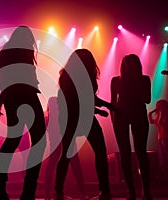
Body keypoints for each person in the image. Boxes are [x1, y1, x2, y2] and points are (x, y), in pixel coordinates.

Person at [0, 26, 46, 200]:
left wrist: (4, 97)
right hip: (26, 95)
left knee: (13, 140)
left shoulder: (8, 52)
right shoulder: (23, 52)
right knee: (38, 141)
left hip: (13, 97)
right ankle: (28, 191)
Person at [55, 49, 112, 200]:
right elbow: (85, 99)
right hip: (80, 118)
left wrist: (103, 108)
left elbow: (80, 100)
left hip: (71, 118)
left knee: (66, 155)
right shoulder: (83, 77)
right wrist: (106, 108)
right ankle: (105, 191)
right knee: (100, 152)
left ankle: (58, 192)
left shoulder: (67, 76)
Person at [111, 54, 152, 200]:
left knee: (141, 153)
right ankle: (131, 191)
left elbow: (147, 99)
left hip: (138, 115)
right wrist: (113, 121)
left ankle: (145, 191)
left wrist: (136, 80)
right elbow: (112, 104)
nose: (130, 68)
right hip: (121, 117)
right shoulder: (116, 81)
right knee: (125, 154)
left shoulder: (144, 80)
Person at [44, 97, 88, 200]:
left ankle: (48, 194)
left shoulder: (48, 118)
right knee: (75, 167)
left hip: (60, 144)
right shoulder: (62, 116)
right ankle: (82, 193)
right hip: (66, 143)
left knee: (52, 167)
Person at [148, 99, 168, 185]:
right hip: (160, 138)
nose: (157, 107)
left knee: (166, 157)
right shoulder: (158, 115)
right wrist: (150, 114)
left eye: (158, 105)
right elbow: (152, 122)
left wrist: (161, 113)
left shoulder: (165, 114)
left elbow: (163, 123)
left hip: (166, 137)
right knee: (163, 159)